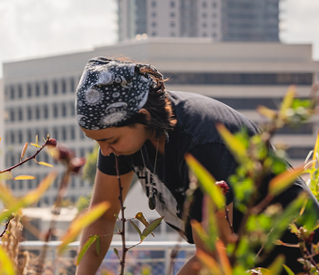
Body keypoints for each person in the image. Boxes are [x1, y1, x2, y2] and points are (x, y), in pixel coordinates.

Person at [74, 57, 317, 274]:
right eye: (98, 142)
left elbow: (212, 256)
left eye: (109, 140)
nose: (105, 151)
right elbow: (103, 215)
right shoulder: (124, 136)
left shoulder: (201, 143)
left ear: (144, 116)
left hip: (298, 254)